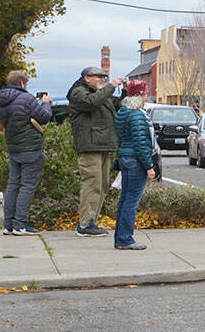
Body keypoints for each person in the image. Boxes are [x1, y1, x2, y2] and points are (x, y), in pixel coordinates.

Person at [67, 67, 125, 237]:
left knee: (102, 185)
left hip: (103, 144)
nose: (102, 79)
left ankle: (91, 221)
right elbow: (91, 102)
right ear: (86, 78)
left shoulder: (99, 93)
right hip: (90, 145)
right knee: (92, 184)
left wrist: (126, 93)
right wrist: (111, 86)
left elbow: (117, 104)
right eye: (98, 76)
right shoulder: (78, 93)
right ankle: (85, 224)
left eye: (104, 77)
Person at [0, 70, 52, 235]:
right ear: (21, 83)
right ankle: (20, 225)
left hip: (14, 147)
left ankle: (8, 225)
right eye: (26, 84)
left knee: (13, 185)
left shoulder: (2, 100)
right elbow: (44, 117)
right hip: (31, 148)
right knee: (27, 186)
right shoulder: (26, 98)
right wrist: (46, 103)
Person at [113, 81, 157, 250]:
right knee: (131, 202)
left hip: (125, 157)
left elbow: (121, 137)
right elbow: (140, 143)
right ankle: (125, 239)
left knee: (125, 200)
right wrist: (149, 166)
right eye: (145, 93)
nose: (147, 96)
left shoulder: (123, 112)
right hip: (135, 161)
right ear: (140, 95)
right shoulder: (138, 115)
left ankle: (120, 237)